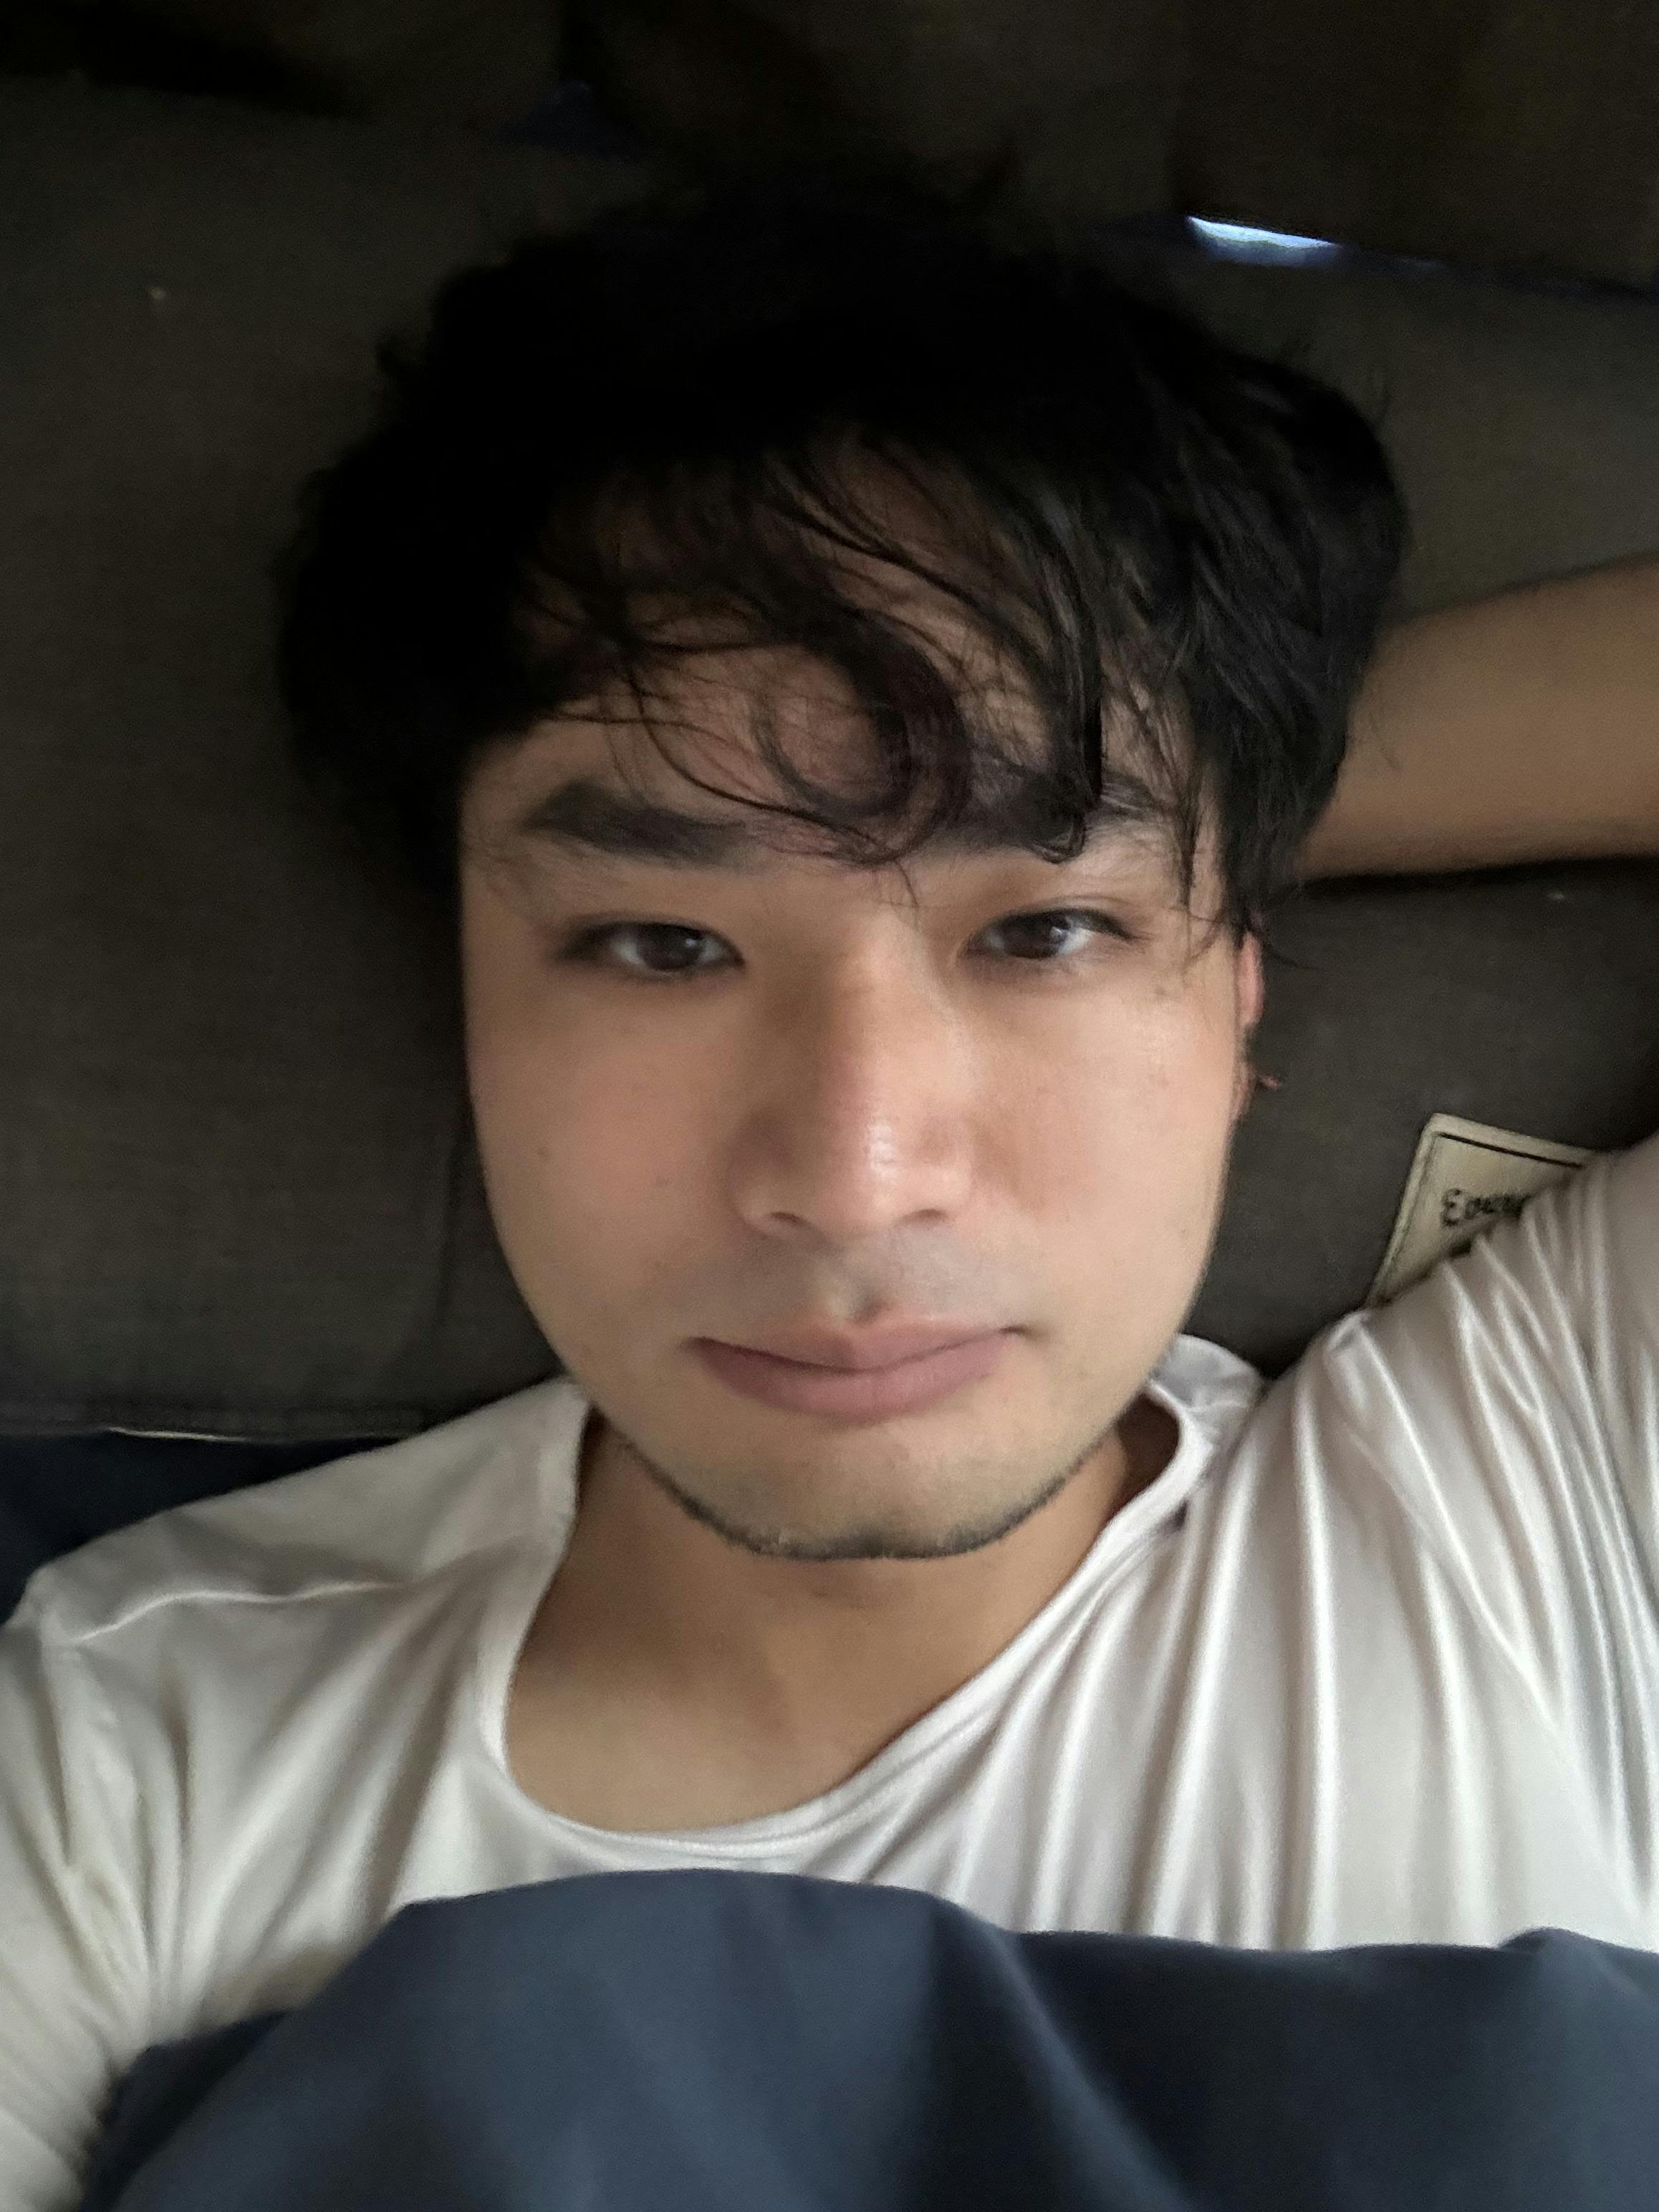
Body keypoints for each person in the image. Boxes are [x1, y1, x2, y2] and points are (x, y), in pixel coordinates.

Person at [1, 165, 1656, 2208]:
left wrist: (1218, 772)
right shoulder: (119, 1759)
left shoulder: (1551, 1494)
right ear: (466, 992)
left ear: (1237, 993)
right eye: (660, 944)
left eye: (1047, 932)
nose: (856, 1179)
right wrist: (1078, 817)